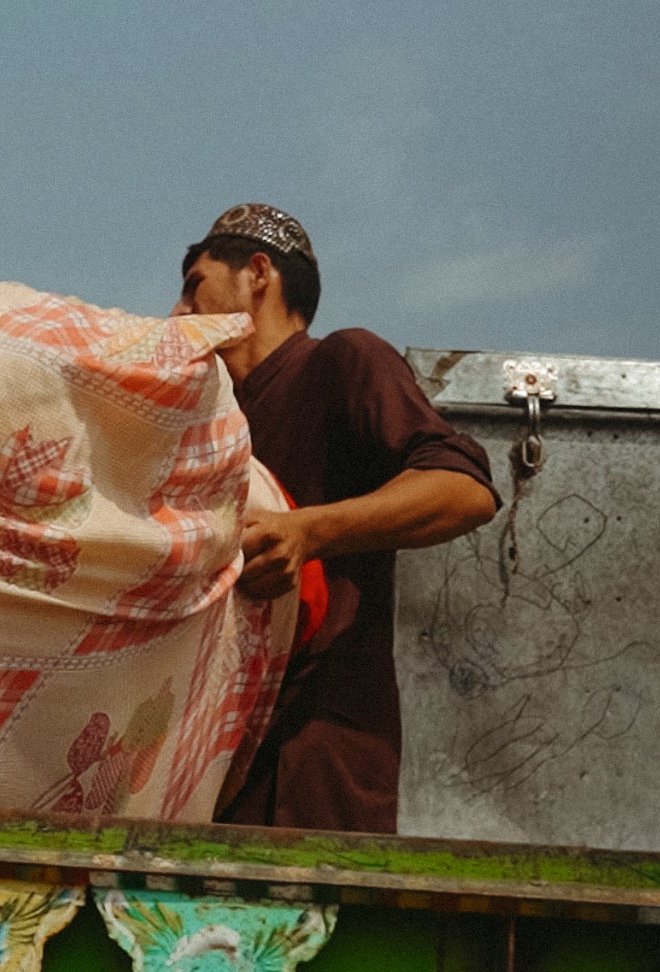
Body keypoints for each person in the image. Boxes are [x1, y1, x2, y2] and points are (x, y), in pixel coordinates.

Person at [174, 204, 501, 834]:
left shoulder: (341, 360)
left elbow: (464, 489)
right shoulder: (214, 426)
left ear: (257, 274)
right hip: (219, 770)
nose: (180, 313)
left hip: (316, 764)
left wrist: (308, 531)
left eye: (194, 286)